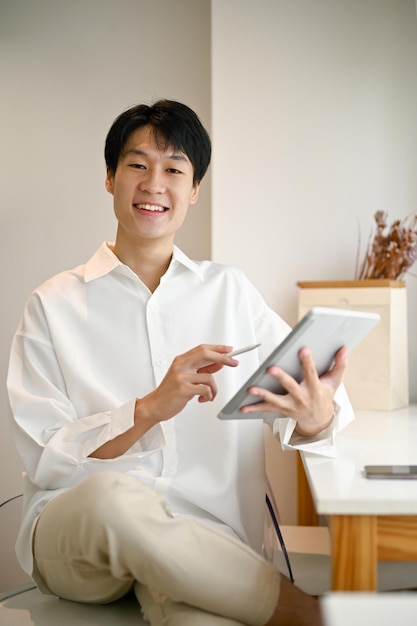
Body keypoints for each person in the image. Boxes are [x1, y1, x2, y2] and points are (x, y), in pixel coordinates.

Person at [7, 99, 354, 626]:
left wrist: (314, 415)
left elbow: (317, 412)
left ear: (193, 190)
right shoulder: (51, 304)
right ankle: (302, 612)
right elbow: (47, 458)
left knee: (201, 618)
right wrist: (147, 409)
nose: (154, 184)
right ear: (110, 178)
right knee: (114, 500)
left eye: (173, 169)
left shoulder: (230, 292)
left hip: (206, 543)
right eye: (137, 165)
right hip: (79, 538)